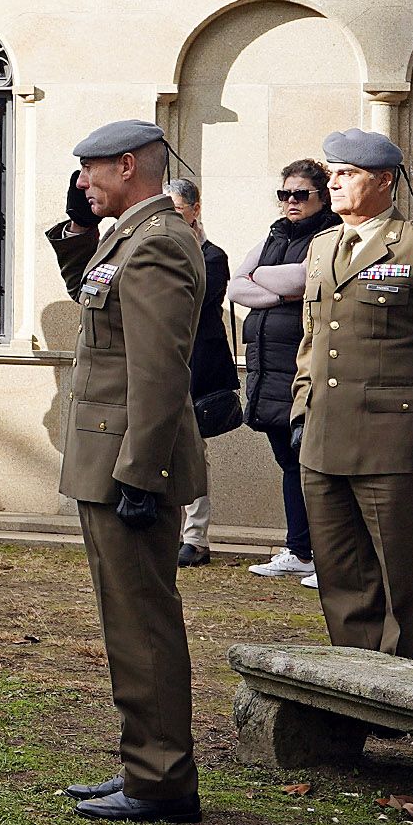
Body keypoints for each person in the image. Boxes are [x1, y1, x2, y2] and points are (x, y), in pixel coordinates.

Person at [46, 121, 208, 824]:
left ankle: (161, 780)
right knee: (126, 620)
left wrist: (140, 474)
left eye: (89, 172)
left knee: (141, 622)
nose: (82, 183)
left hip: (125, 462)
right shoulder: (130, 235)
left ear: (127, 164)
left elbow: (158, 370)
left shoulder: (160, 241)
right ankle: (143, 764)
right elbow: (94, 303)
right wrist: (76, 225)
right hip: (106, 455)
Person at [293, 128, 413, 662]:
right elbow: (313, 339)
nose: (331, 182)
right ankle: (354, 690)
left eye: (346, 173)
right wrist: (300, 407)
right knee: (340, 577)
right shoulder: (322, 245)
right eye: (330, 172)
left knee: (402, 580)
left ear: (383, 180)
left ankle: (401, 697)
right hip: (323, 439)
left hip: (394, 443)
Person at [228, 159, 337, 580]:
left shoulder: (328, 237)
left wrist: (263, 278)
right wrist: (275, 296)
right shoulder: (273, 235)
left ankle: (328, 557)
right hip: (267, 369)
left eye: (300, 194)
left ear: (321, 196)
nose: (290, 202)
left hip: (301, 366)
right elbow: (237, 284)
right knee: (289, 462)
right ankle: (299, 549)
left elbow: (302, 279)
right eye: (284, 194)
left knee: (313, 464)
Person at [163, 178, 238, 567]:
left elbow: (190, 300)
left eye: (176, 211)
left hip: (198, 366)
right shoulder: (158, 251)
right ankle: (166, 531)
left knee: (193, 450)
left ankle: (195, 536)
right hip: (161, 364)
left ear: (195, 210)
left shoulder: (212, 256)